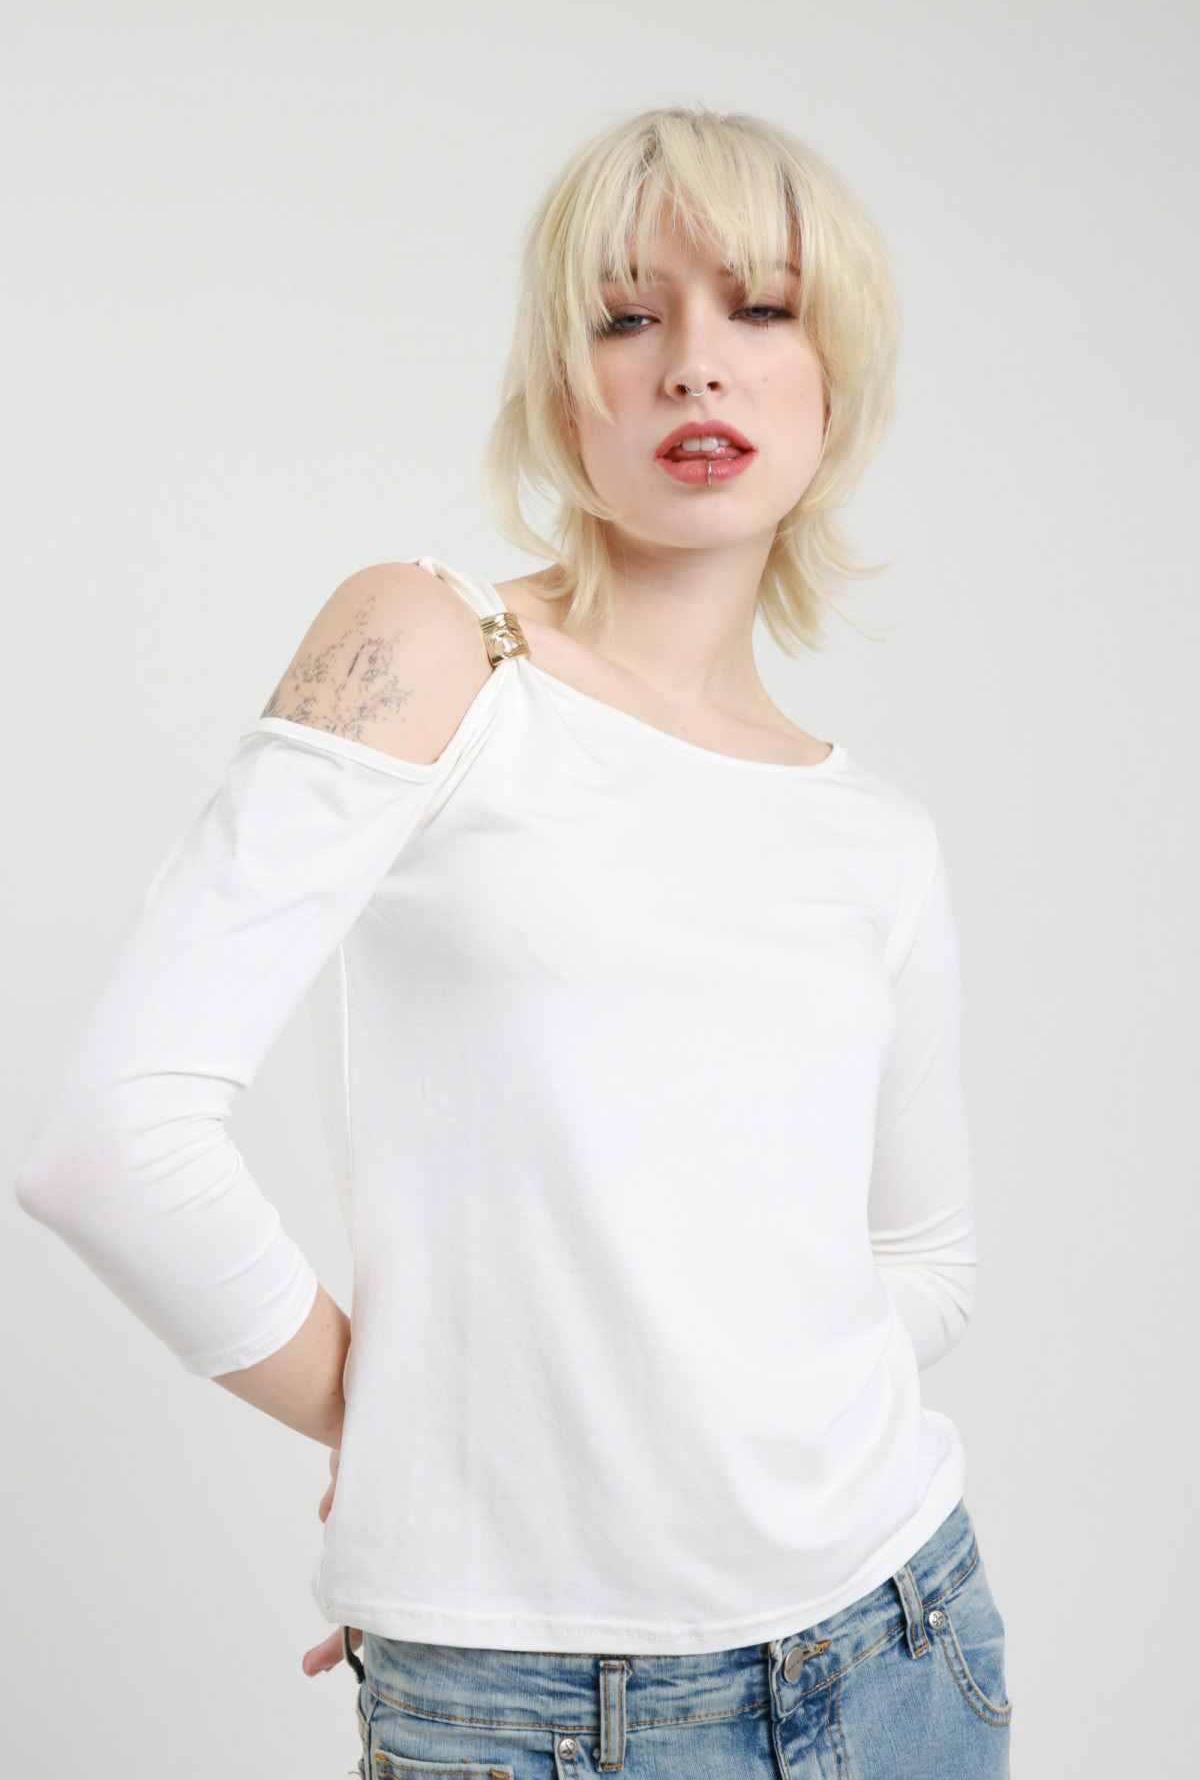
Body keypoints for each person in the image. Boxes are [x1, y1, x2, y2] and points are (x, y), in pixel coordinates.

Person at [16, 106, 1012, 1777]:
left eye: (762, 308)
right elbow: (108, 1141)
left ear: (835, 382)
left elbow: (925, 1270)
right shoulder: (439, 649)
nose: (696, 362)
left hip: (900, 1646)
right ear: (561, 395)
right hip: (535, 1714)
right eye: (627, 317)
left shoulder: (878, 840)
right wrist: (416, 1431)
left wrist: (635, 1427)